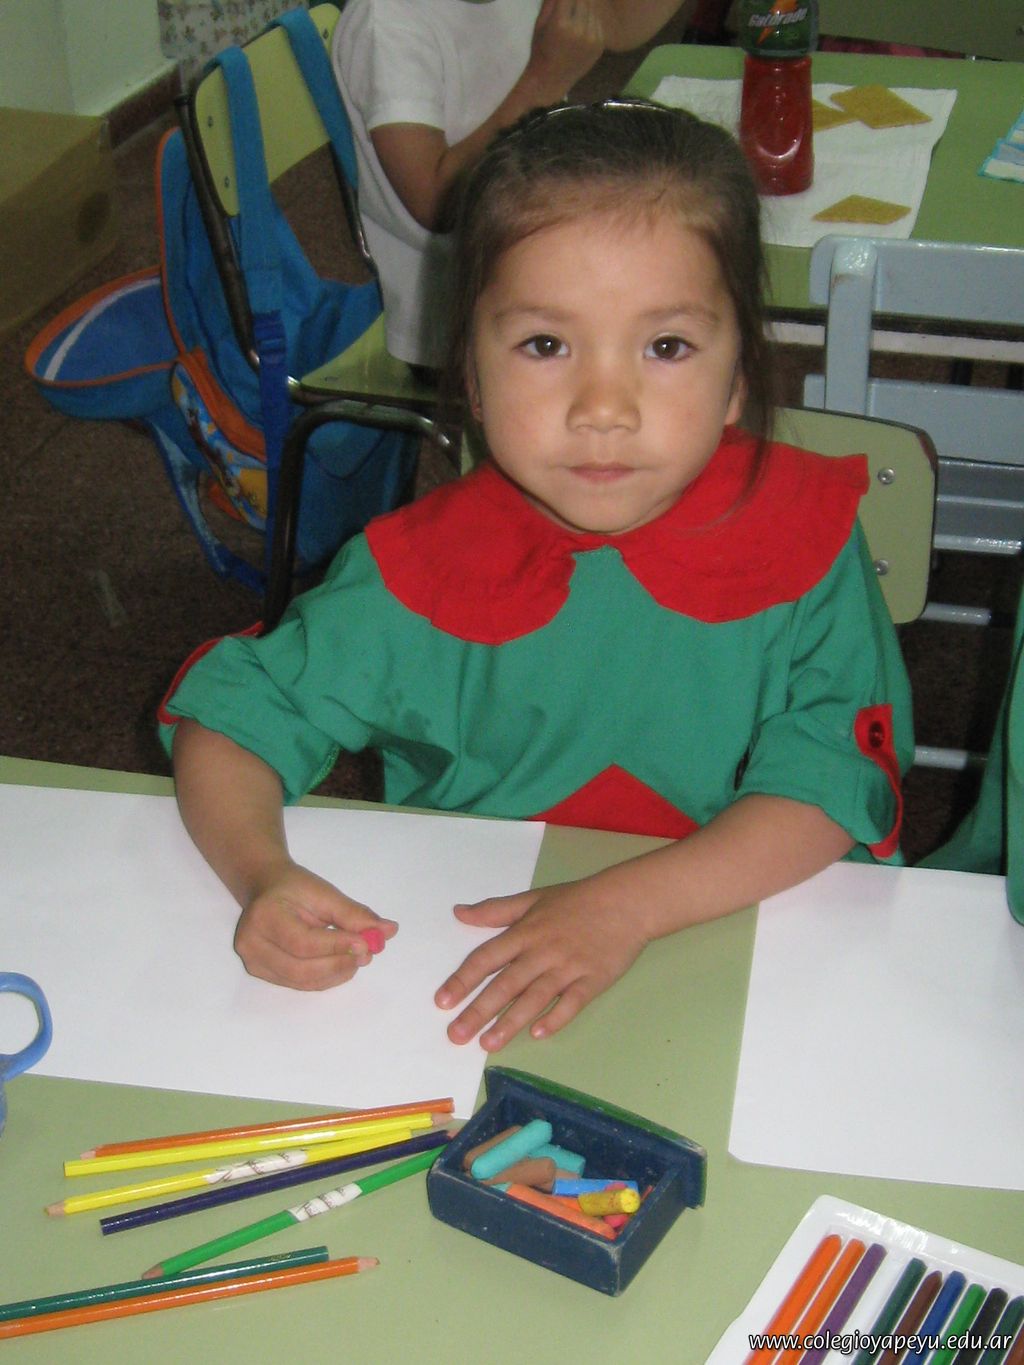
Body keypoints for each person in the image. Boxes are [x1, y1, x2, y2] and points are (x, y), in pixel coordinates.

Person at [162, 100, 914, 1054]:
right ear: (471, 376)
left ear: (738, 377)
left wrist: (623, 908)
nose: (604, 406)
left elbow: (829, 785)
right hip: (476, 993)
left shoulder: (805, 537)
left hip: (760, 956)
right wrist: (261, 874)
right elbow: (231, 721)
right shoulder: (415, 569)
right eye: (545, 345)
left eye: (667, 346)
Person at [331, 0, 686, 370]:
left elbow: (615, 22)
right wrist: (545, 79)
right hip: (456, 315)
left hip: (536, 247)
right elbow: (437, 203)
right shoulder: (387, 24)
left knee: (678, 249)